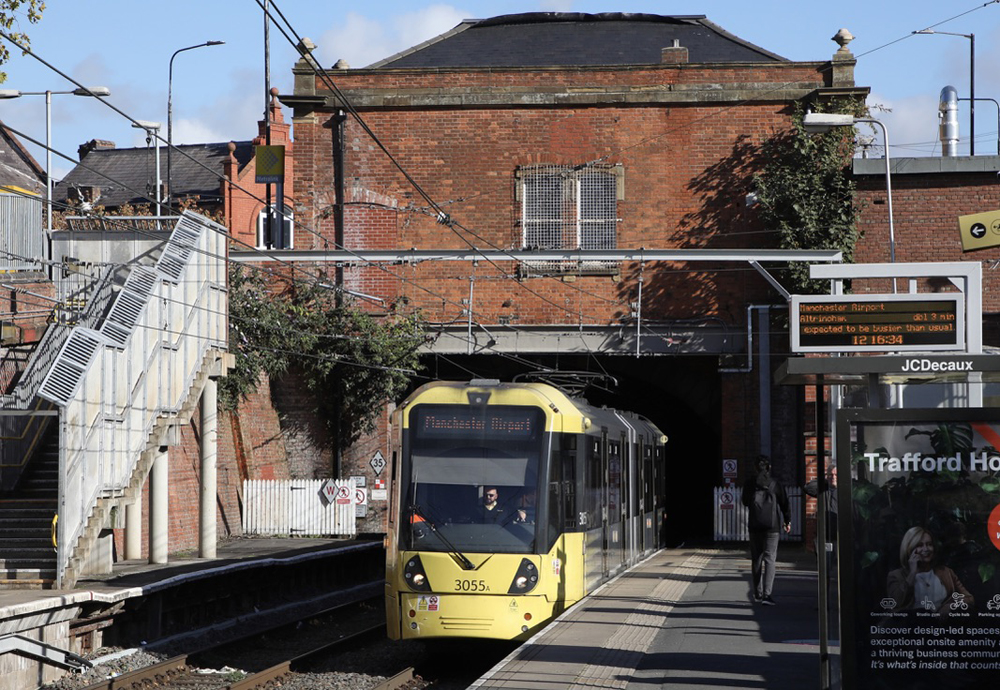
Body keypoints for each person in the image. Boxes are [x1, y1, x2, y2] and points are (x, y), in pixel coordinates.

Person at [886, 526, 974, 615]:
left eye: (929, 544)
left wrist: (950, 606)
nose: (926, 549)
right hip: (910, 626)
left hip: (941, 626)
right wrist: (912, 574)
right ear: (909, 548)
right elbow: (896, 603)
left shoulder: (946, 572)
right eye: (919, 545)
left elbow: (969, 598)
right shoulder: (896, 575)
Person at [742, 455, 791, 605]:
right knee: (770, 559)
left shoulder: (750, 484)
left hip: (754, 526)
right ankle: (767, 596)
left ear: (755, 468)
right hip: (772, 527)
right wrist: (787, 521)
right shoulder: (775, 484)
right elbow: (785, 503)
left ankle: (757, 593)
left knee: (756, 559)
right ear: (769, 467)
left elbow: (744, 502)